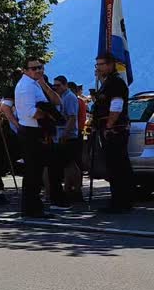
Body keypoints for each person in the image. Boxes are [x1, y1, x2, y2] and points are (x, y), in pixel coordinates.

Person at [14, 58, 62, 218]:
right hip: (31, 131)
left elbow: (57, 101)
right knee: (33, 172)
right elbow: (31, 112)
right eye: (34, 68)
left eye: (40, 67)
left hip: (36, 131)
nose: (38, 70)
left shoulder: (34, 84)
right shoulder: (26, 86)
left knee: (36, 171)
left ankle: (33, 207)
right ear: (25, 70)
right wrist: (49, 116)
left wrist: (44, 84)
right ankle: (31, 209)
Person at [91, 52, 134, 213]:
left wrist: (109, 126)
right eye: (97, 65)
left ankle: (121, 202)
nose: (98, 68)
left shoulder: (116, 83)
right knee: (113, 165)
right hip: (108, 128)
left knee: (118, 166)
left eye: (101, 64)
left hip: (115, 130)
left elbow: (116, 106)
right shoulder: (107, 82)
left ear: (110, 65)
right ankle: (118, 200)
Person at [51, 76, 82, 205]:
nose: (56, 88)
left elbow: (72, 117)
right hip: (60, 134)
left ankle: (76, 190)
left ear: (65, 85)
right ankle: (70, 189)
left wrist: (65, 134)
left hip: (68, 136)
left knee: (70, 164)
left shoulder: (69, 97)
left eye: (58, 85)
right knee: (67, 164)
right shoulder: (60, 97)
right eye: (54, 86)